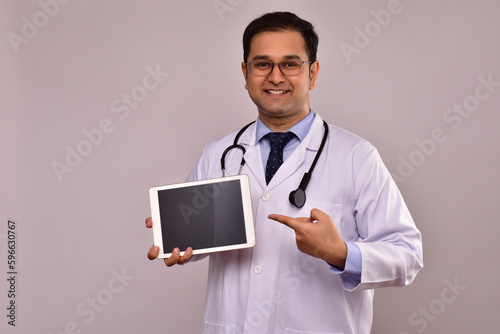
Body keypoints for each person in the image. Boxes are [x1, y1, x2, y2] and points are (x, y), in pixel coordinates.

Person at [145, 11, 423, 334]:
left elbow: (408, 255)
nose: (275, 77)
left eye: (290, 64)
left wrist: (341, 253)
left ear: (313, 73)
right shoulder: (219, 154)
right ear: (245, 73)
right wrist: (179, 241)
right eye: (262, 64)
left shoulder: (357, 157)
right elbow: (197, 238)